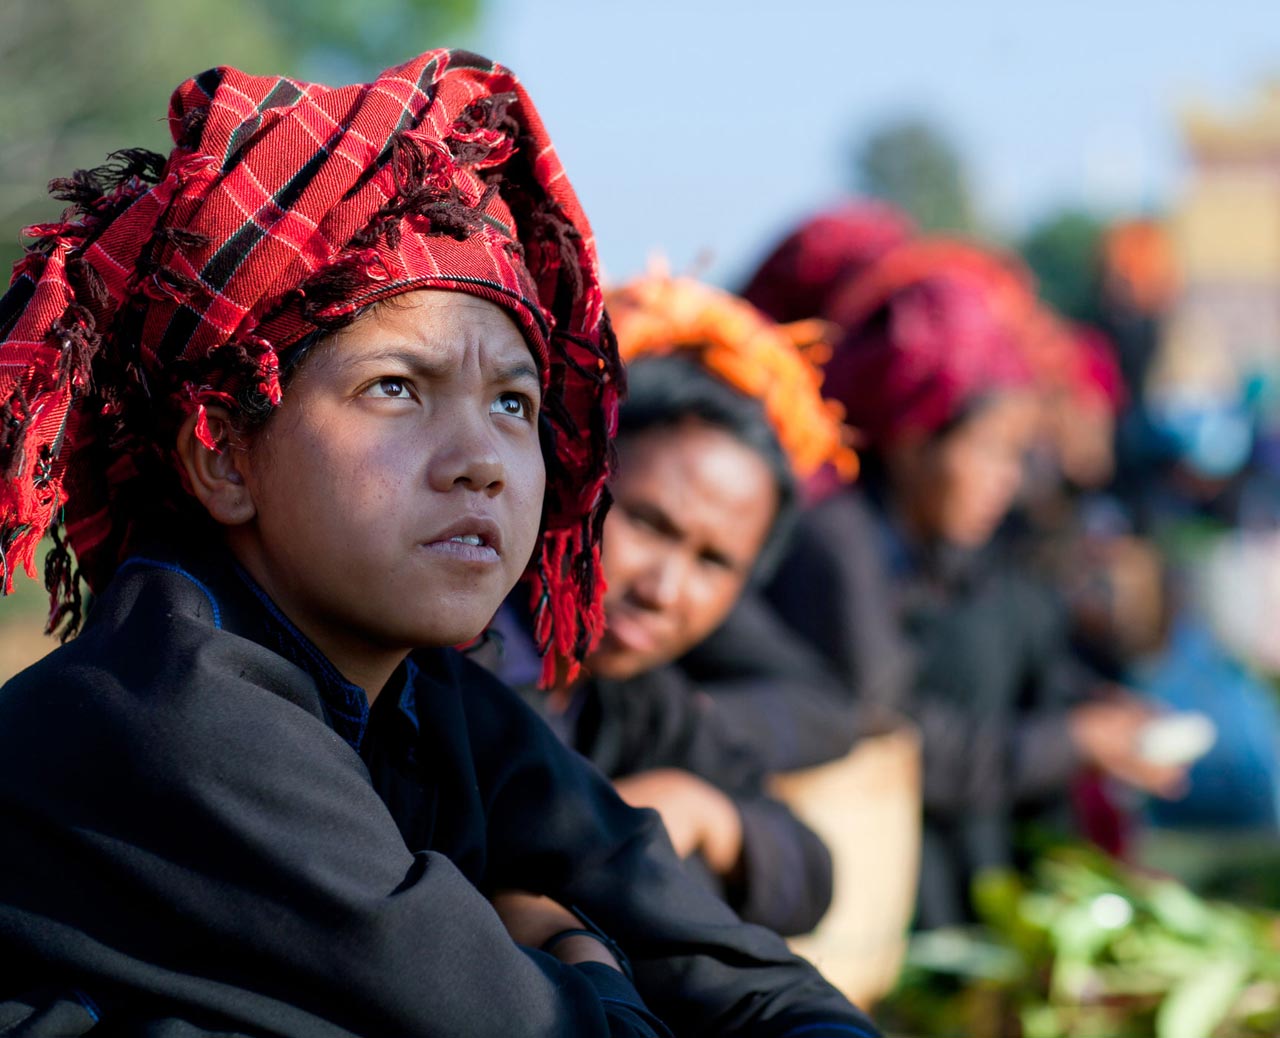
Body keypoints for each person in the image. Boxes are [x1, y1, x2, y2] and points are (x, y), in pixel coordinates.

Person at [0, 54, 881, 1037]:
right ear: (223, 455)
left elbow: (725, 963)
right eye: (396, 389)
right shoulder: (178, 713)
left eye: (513, 402)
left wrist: (573, 944)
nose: (482, 463)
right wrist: (576, 951)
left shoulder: (436, 699)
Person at [745, 206, 1186, 928]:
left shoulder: (945, 547)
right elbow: (895, 740)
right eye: (990, 452)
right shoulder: (839, 541)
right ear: (917, 439)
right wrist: (1072, 742)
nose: (1007, 480)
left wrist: (1096, 720)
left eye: (1018, 455)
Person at [477, 274, 861, 936]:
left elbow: (812, 869)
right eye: (648, 524)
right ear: (570, 477)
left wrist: (705, 812)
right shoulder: (454, 675)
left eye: (712, 563)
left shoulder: (640, 702)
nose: (664, 589)